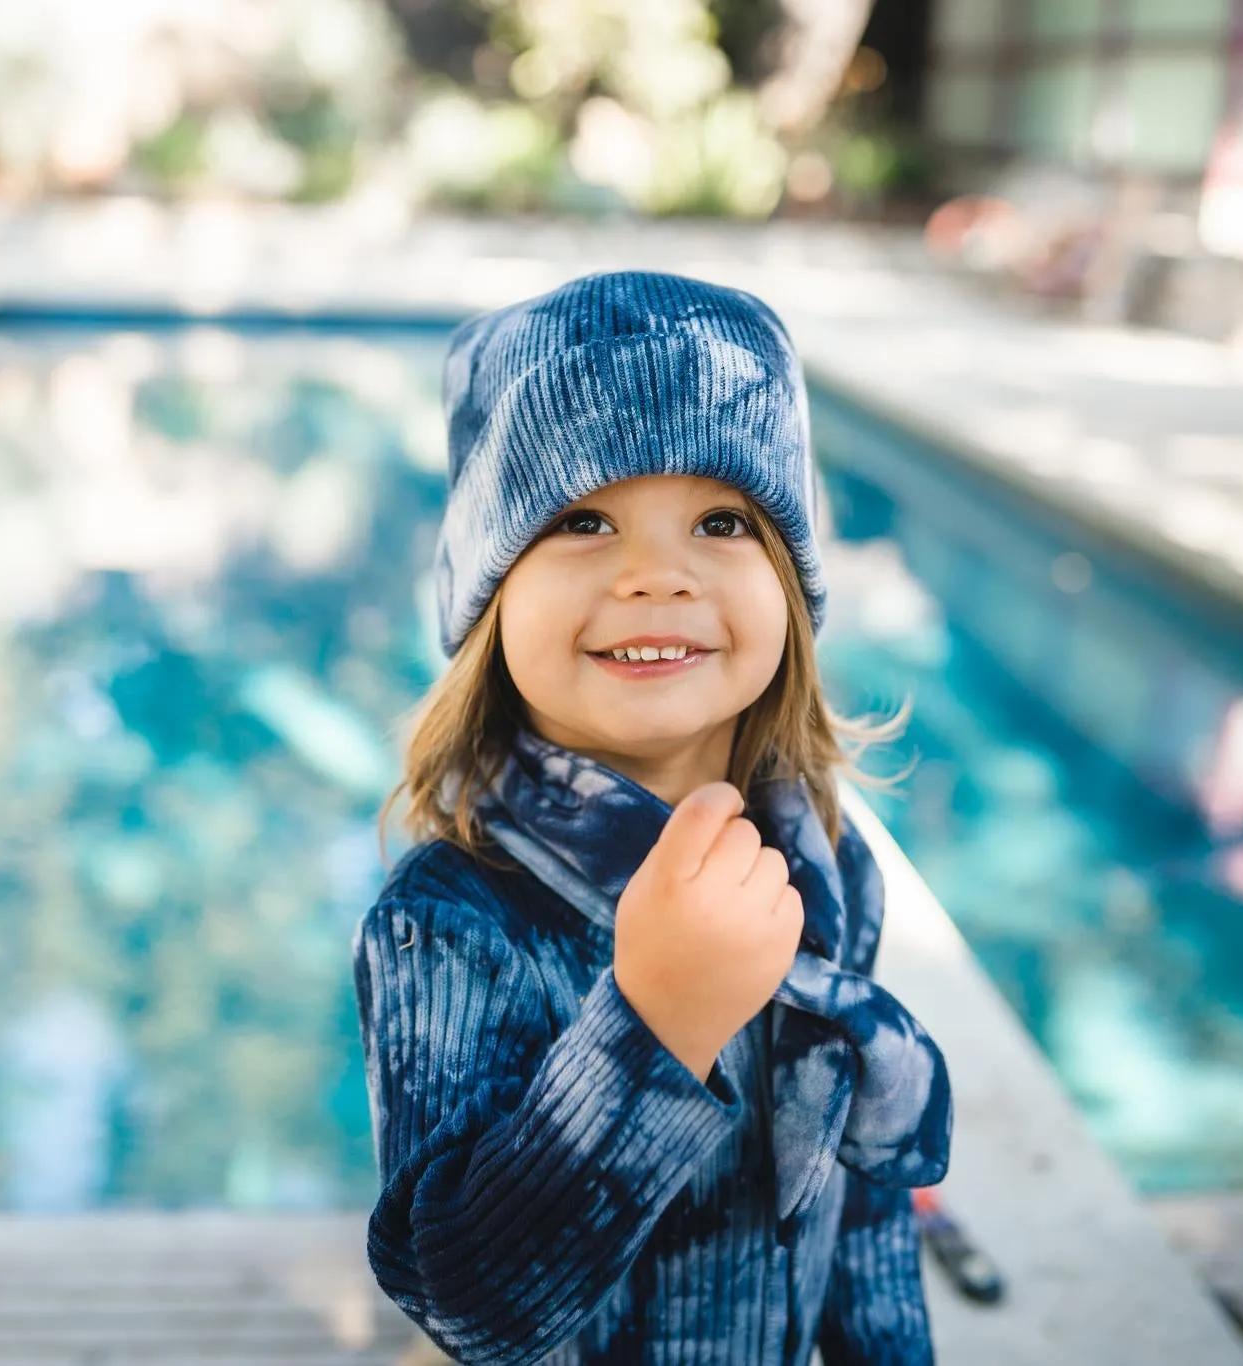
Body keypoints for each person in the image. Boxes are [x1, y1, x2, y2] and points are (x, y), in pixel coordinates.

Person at [352, 269, 953, 1365]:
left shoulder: (824, 860)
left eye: (720, 520)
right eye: (582, 519)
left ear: (786, 583)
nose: (655, 576)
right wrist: (652, 1017)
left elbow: (859, 1208)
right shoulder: (450, 920)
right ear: (490, 598)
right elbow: (465, 1300)